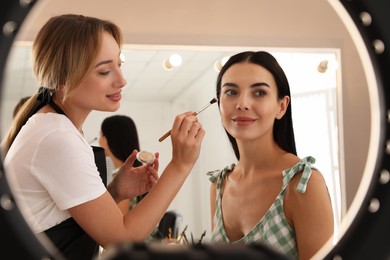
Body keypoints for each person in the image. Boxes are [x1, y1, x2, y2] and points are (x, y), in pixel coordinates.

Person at [1, 14, 204, 260]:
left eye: (120, 65)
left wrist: (115, 192)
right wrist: (180, 165)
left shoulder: (56, 129)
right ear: (64, 79)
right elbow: (122, 241)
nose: (121, 80)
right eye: (105, 71)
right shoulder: (56, 136)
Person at [207, 51, 334, 260]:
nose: (242, 104)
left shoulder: (303, 184)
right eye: (231, 92)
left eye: (259, 93)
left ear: (281, 106)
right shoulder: (219, 186)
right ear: (219, 103)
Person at [99, 115, 143, 213]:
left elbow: (118, 220)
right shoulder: (139, 171)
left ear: (106, 139)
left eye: (100, 134)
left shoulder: (122, 175)